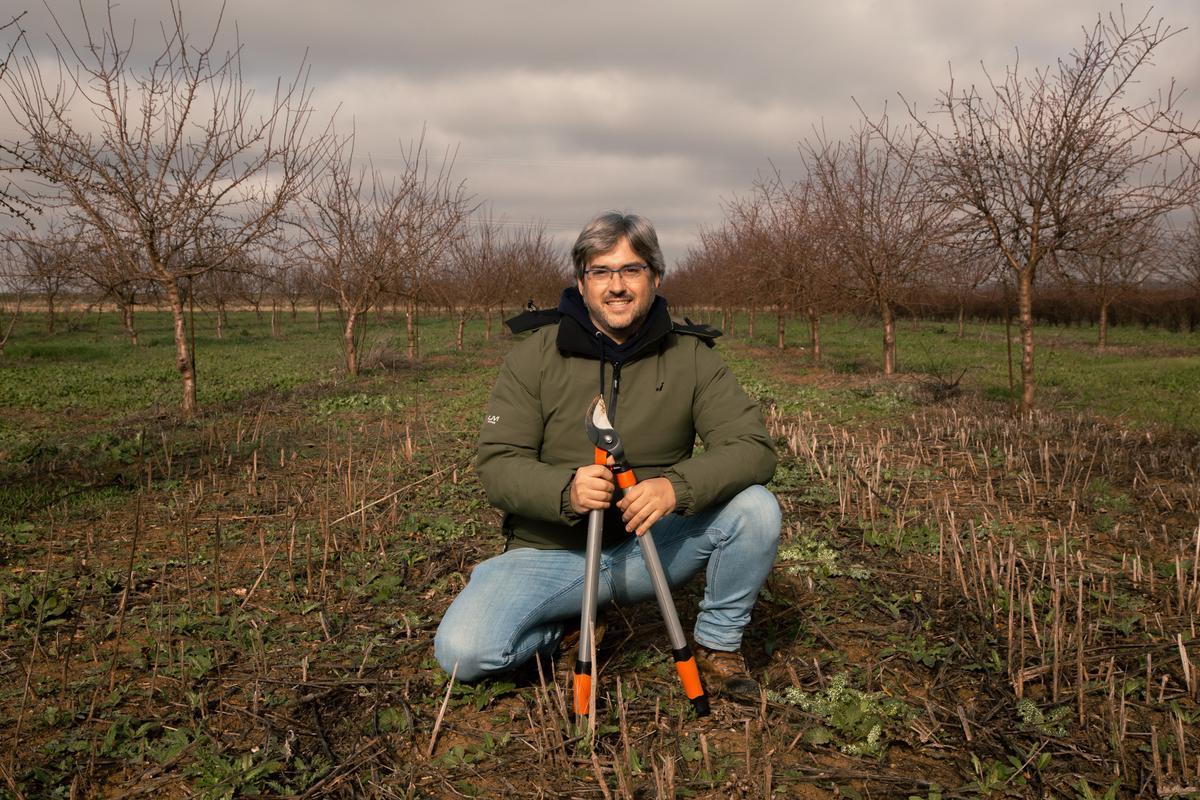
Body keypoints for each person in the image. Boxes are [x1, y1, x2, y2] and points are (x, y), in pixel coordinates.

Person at [434, 211, 781, 697]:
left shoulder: (692, 356)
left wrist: (673, 489)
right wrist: (565, 492)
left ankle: (717, 645)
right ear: (581, 282)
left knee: (757, 510)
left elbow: (753, 448)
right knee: (464, 653)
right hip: (550, 553)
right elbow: (497, 464)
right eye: (601, 271)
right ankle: (569, 621)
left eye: (631, 269)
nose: (617, 285)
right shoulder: (535, 355)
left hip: (651, 549)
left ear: (655, 278)